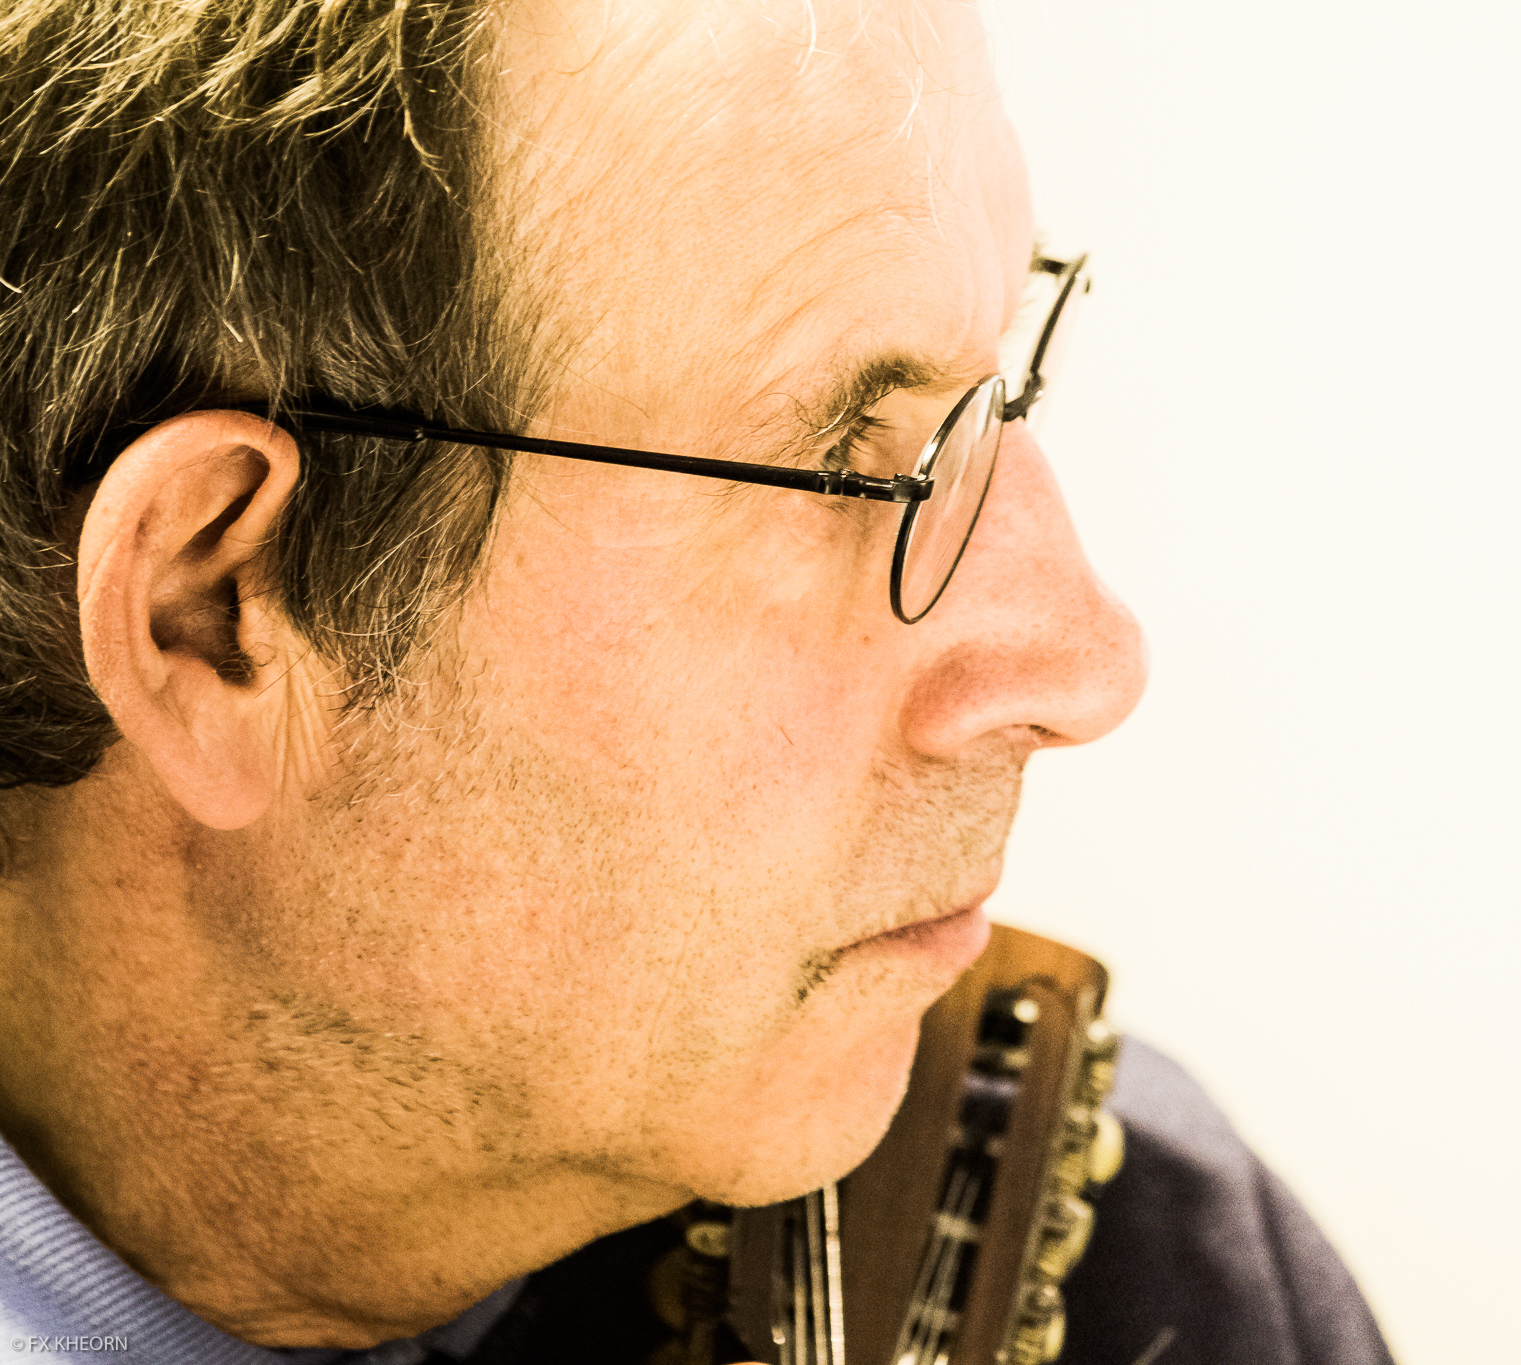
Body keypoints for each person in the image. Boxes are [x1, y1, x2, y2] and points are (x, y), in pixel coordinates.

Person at [0, 1, 1392, 1361]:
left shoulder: (1162, 1267)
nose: (1089, 664)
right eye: (845, 465)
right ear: (217, 617)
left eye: (997, 392)